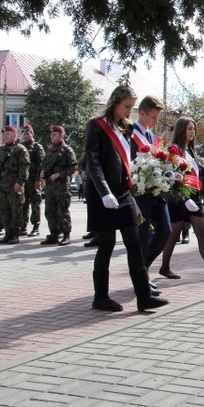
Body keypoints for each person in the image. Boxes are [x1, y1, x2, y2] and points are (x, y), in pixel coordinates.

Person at [85, 84, 168, 312]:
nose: (129, 111)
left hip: (123, 193)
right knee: (106, 246)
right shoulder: (96, 126)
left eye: (132, 107)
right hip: (103, 196)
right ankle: (100, 297)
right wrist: (104, 193)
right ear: (115, 102)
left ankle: (144, 297)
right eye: (127, 106)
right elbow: (92, 162)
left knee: (133, 244)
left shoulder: (127, 128)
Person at [157, 117, 204, 281]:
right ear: (181, 130)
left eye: (194, 129)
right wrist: (184, 198)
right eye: (189, 129)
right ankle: (164, 267)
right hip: (178, 197)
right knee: (174, 233)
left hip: (194, 197)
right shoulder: (173, 150)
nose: (193, 132)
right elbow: (172, 178)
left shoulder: (190, 151)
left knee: (201, 232)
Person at [129, 95, 173, 285]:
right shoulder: (131, 134)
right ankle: (141, 279)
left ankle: (143, 270)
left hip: (155, 189)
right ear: (142, 113)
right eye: (153, 117)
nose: (155, 121)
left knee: (166, 229)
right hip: (140, 191)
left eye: (157, 118)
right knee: (142, 235)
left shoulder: (149, 135)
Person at [0, 125, 30, 245]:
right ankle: (7, 233)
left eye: (8, 134)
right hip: (1, 184)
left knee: (15, 209)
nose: (6, 136)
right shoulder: (1, 149)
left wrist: (20, 182)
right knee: (4, 209)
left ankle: (15, 234)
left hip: (14, 184)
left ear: (15, 135)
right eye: (5, 134)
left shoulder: (20, 149)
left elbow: (25, 167)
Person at [40, 125, 77, 246]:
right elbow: (45, 164)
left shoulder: (67, 150)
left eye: (54, 134)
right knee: (50, 210)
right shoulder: (50, 150)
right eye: (51, 134)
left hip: (61, 186)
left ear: (62, 135)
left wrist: (60, 174)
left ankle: (66, 234)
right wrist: (43, 172)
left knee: (63, 210)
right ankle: (54, 233)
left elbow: (73, 167)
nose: (52, 136)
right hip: (50, 186)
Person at [20, 124, 45, 236]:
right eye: (24, 133)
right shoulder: (20, 147)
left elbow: (41, 164)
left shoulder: (37, 147)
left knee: (35, 203)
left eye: (28, 133)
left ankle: (36, 227)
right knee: (23, 204)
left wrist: (38, 179)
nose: (26, 135)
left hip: (33, 178)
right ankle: (23, 226)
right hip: (23, 180)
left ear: (32, 134)